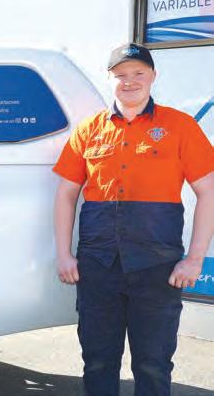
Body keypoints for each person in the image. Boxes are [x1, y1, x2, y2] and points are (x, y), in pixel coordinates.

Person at [53, 42, 214, 396]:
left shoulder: (180, 126)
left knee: (153, 364)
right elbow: (66, 194)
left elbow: (209, 191)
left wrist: (194, 259)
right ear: (109, 79)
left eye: (139, 73)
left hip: (157, 269)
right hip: (98, 268)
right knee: (97, 362)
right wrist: (64, 254)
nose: (130, 81)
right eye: (121, 74)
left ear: (153, 76)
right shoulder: (89, 130)